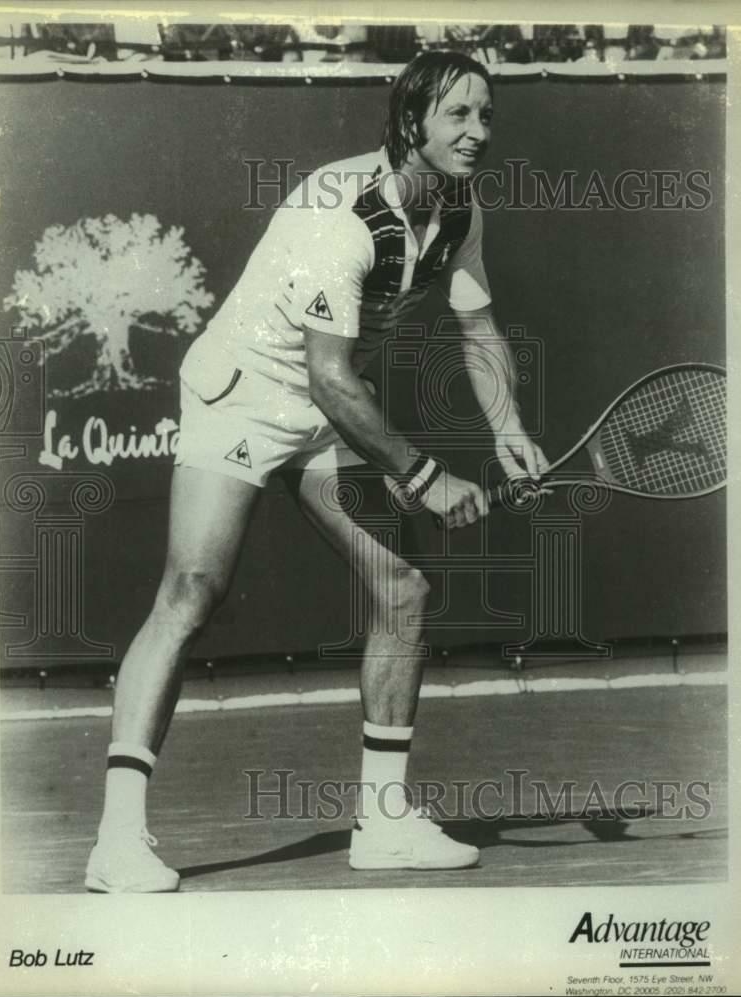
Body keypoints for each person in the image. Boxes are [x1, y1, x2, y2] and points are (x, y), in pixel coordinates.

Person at [85, 50, 548, 893]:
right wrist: (428, 479)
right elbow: (334, 382)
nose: (479, 132)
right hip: (243, 395)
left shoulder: (460, 208)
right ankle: (116, 839)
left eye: (488, 116)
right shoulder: (340, 214)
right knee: (193, 589)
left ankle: (384, 823)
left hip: (326, 406)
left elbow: (477, 328)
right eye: (460, 115)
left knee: (402, 589)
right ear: (413, 122)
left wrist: (508, 426)